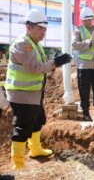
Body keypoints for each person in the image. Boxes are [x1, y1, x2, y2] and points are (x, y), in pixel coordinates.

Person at [5, 9, 72, 170]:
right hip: (21, 94)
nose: (43, 32)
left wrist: (53, 62)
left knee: (36, 120)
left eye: (45, 29)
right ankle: (19, 164)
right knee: (22, 126)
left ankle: (35, 150)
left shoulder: (34, 44)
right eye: (40, 28)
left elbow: (41, 65)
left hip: (33, 92)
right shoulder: (23, 44)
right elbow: (34, 68)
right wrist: (55, 63)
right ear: (29, 27)